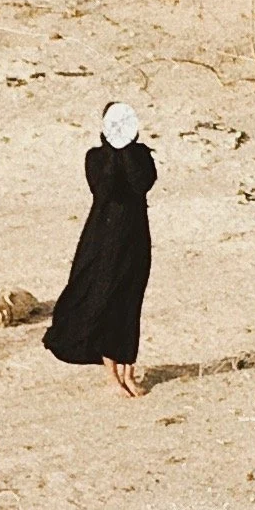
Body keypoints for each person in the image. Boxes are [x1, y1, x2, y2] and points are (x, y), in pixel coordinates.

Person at [43, 103, 157, 398]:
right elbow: (104, 189)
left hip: (135, 239)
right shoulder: (95, 158)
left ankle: (129, 371)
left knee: (130, 303)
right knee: (105, 300)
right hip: (102, 239)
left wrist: (127, 149)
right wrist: (113, 151)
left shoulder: (142, 155)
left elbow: (140, 182)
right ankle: (112, 376)